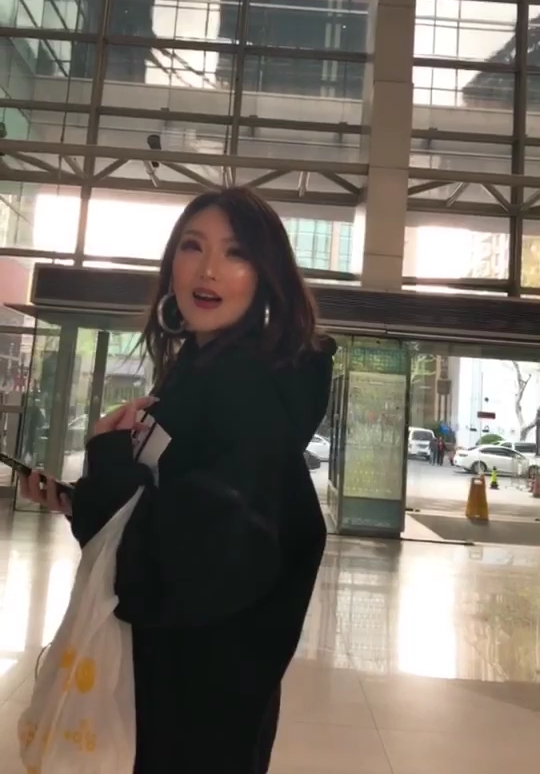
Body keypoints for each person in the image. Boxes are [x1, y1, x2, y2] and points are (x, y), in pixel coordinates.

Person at [20, 187, 335, 774]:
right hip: (181, 687)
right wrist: (84, 502)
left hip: (200, 702)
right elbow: (171, 516)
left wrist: (110, 459)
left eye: (236, 253)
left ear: (265, 276)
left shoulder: (246, 391)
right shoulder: (198, 374)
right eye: (192, 247)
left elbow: (185, 565)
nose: (208, 269)